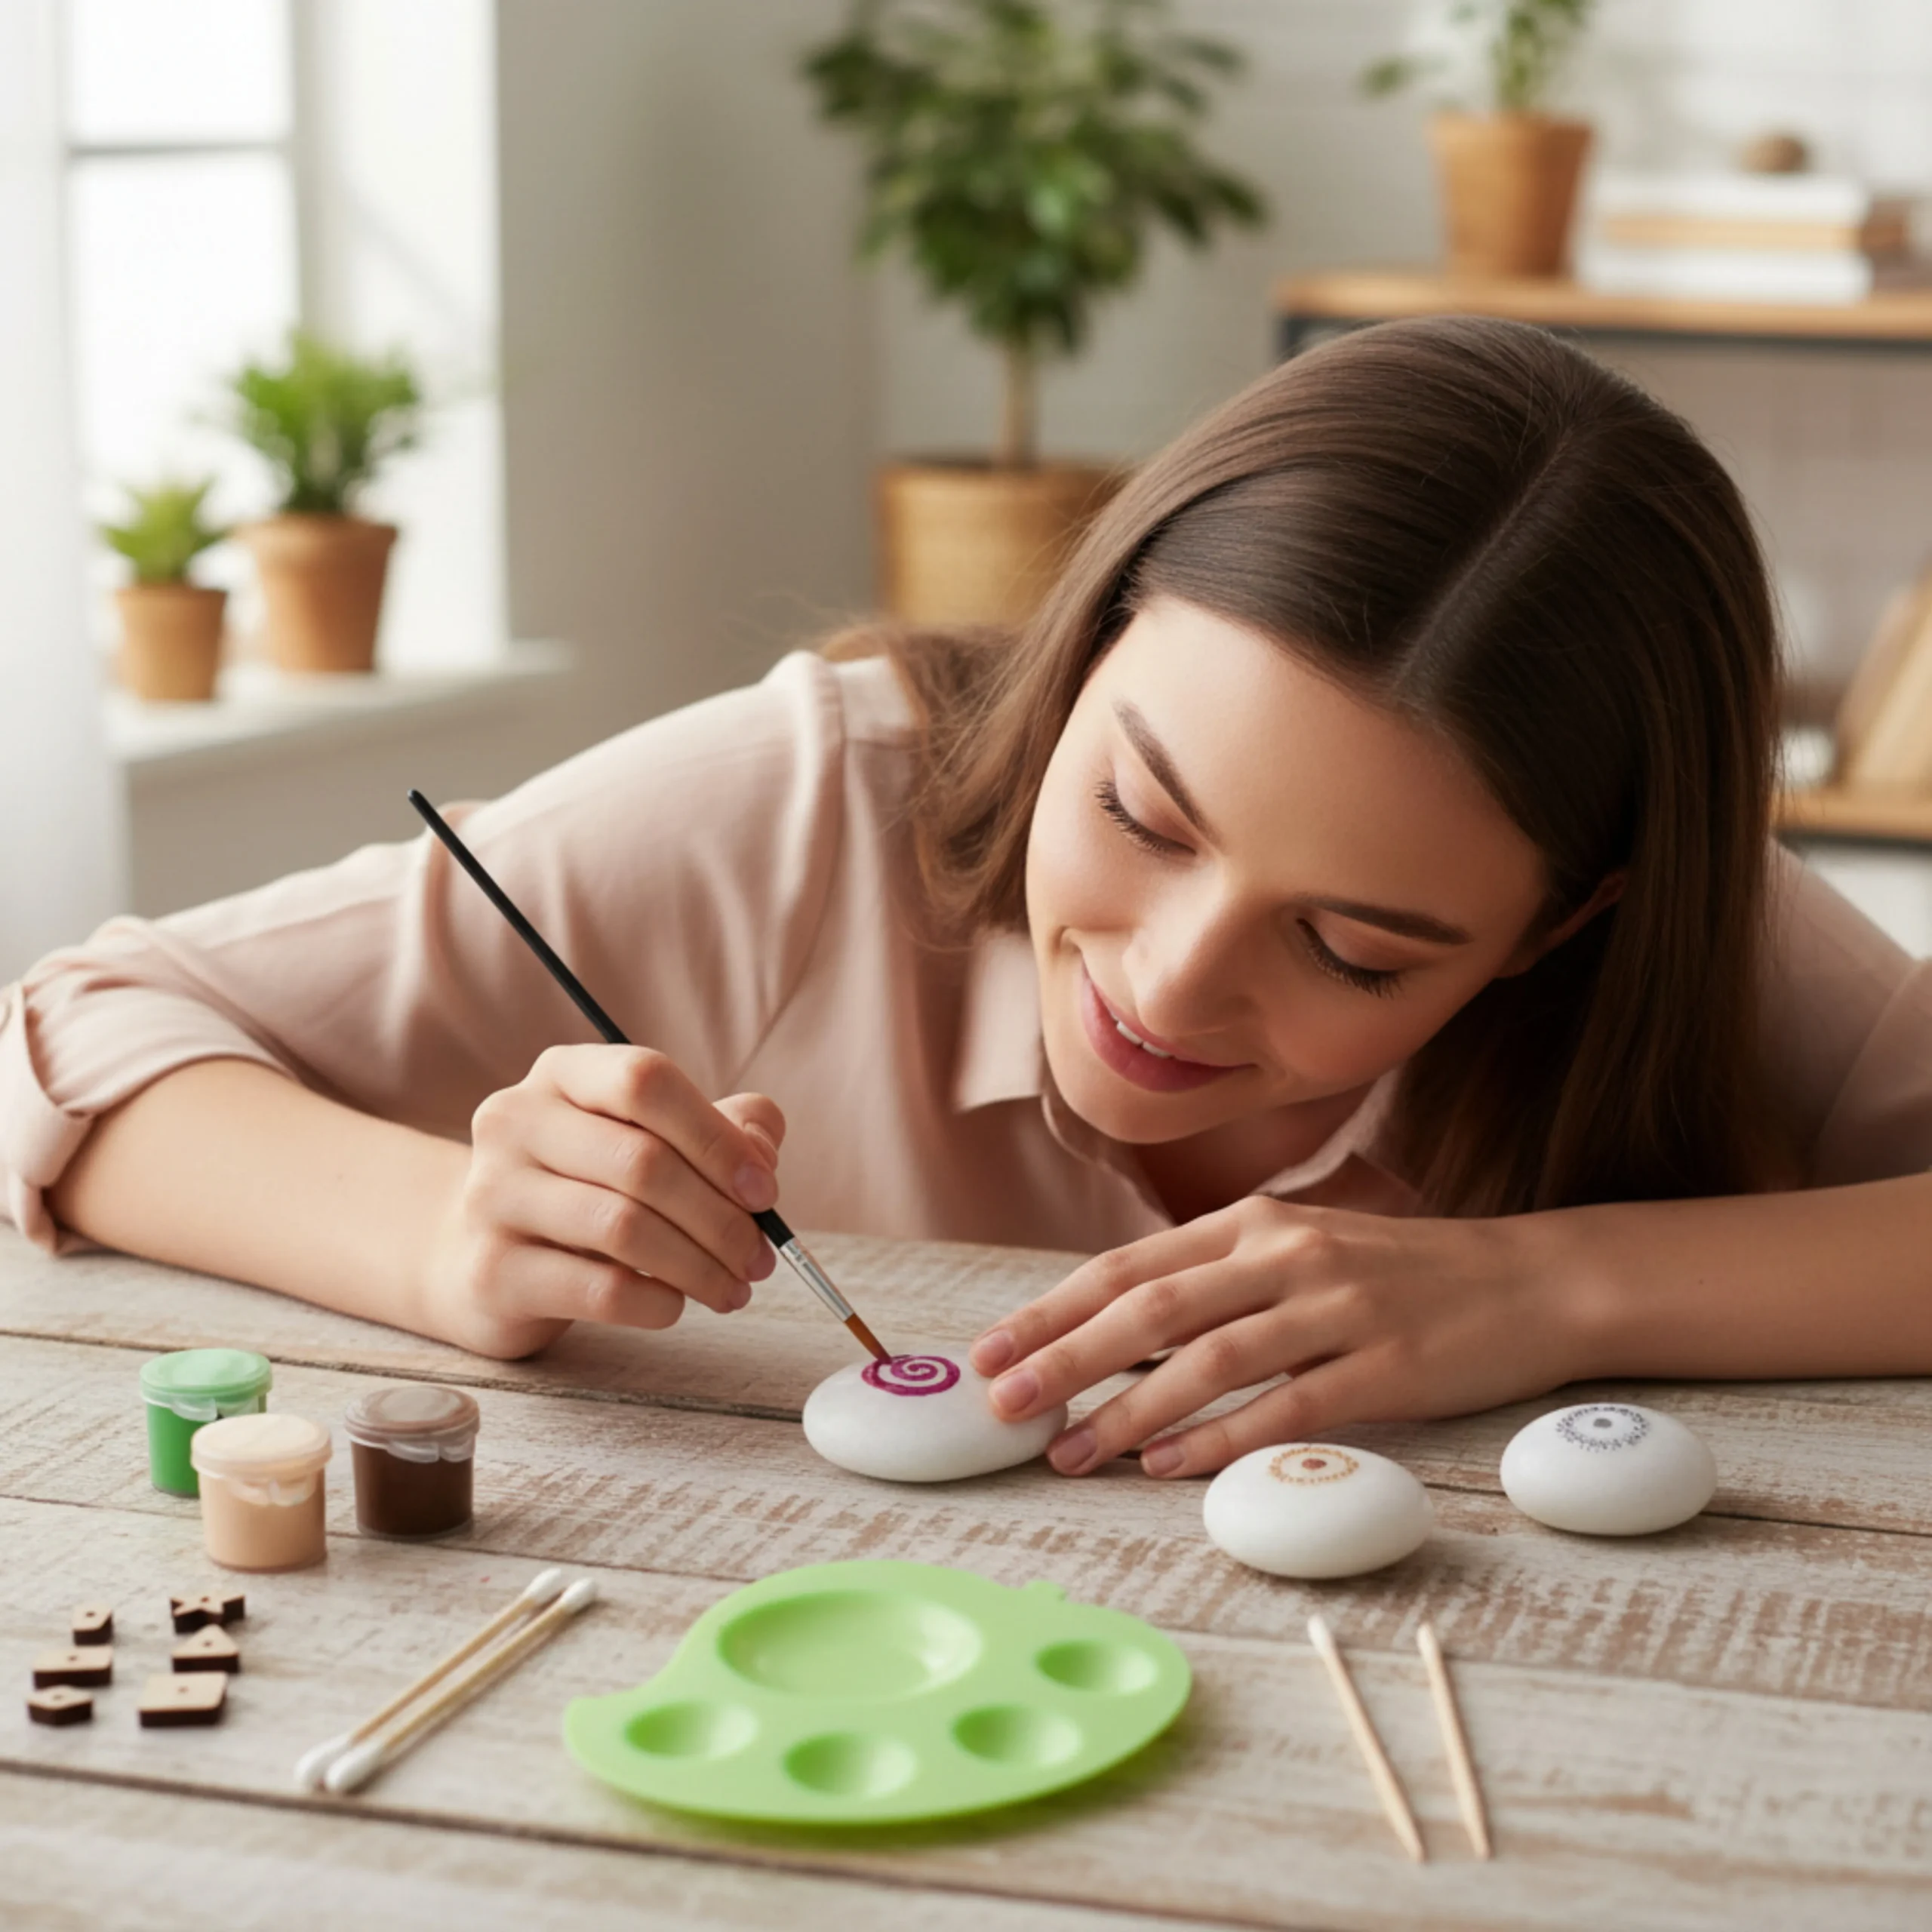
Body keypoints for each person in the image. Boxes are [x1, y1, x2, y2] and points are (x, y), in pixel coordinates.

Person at [7, 317, 1930, 1482]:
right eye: (1140, 812)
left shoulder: (1689, 933)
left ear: (1557, 924)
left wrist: (1549, 1285)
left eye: (1352, 946)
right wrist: (446, 1232)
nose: (1167, 986)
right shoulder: (805, 802)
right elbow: (76, 1029)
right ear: (1082, 641)